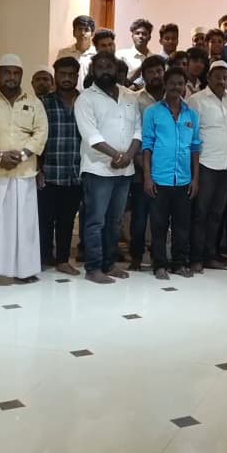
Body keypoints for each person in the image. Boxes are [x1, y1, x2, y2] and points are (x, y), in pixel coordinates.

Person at [0, 55, 48, 287]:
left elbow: (41, 132)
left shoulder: (34, 102)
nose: (11, 77)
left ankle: (25, 271)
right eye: (6, 72)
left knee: (24, 224)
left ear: (21, 75)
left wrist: (22, 155)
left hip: (23, 171)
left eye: (16, 73)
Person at [75, 52, 142, 284]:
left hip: (125, 169)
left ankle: (109, 264)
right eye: (100, 67)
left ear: (116, 69)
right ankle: (93, 268)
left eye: (109, 67)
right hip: (98, 169)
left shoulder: (129, 96)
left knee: (115, 221)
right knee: (96, 220)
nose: (105, 71)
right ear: (93, 71)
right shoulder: (86, 99)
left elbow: (137, 130)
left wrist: (128, 156)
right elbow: (90, 135)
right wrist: (116, 155)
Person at [142, 67, 203, 280]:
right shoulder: (152, 112)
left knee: (182, 226)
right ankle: (159, 264)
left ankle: (179, 263)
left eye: (180, 83)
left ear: (185, 86)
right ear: (165, 85)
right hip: (160, 179)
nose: (176, 87)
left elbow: (195, 148)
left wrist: (195, 179)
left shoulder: (191, 114)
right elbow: (147, 146)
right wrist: (147, 177)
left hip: (184, 180)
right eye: (172, 83)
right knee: (158, 226)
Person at [187, 60, 227, 271]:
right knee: (201, 213)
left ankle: (210, 255)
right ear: (208, 78)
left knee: (217, 214)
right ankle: (196, 258)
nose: (222, 81)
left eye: (225, 78)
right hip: (205, 165)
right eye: (217, 77)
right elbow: (190, 135)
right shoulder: (196, 100)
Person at [38, 56, 84, 277]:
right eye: (62, 74)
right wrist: (38, 169)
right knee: (45, 219)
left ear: (77, 76)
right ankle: (43, 257)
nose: (66, 78)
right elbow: (36, 138)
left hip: (76, 172)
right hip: (49, 171)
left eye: (71, 74)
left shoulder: (85, 102)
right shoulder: (43, 103)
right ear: (55, 76)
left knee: (67, 219)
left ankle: (63, 260)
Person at [127, 56, 166, 270]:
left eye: (159, 71)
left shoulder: (173, 99)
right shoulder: (135, 99)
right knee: (140, 217)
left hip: (165, 167)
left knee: (160, 216)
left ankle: (159, 257)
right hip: (140, 165)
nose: (156, 75)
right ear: (143, 76)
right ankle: (136, 256)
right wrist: (139, 160)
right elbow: (131, 131)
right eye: (150, 72)